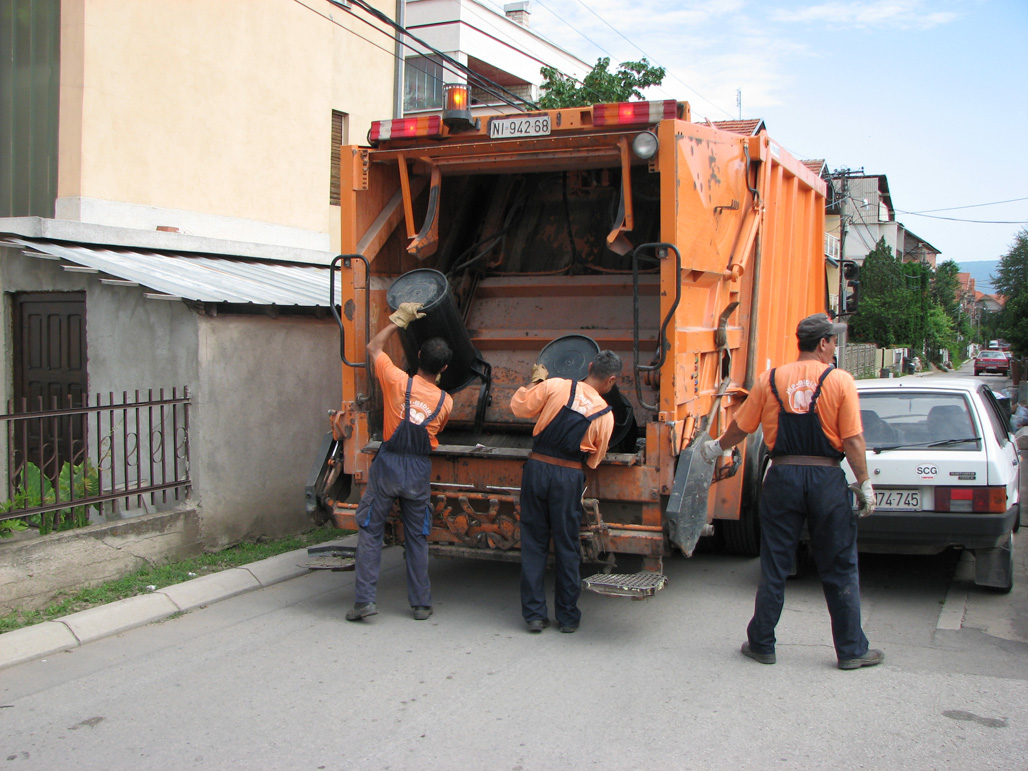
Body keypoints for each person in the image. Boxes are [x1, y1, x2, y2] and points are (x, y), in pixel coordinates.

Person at [700, 313, 884, 670]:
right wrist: (864, 483)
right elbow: (853, 440)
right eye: (833, 341)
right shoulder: (840, 381)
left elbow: (743, 427)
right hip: (826, 480)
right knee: (840, 566)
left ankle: (762, 643)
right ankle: (851, 651)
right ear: (822, 344)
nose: (834, 346)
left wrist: (716, 446)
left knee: (775, 564)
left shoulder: (770, 380)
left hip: (782, 477)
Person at [346, 302, 453, 623]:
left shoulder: (395, 380)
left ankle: (365, 602)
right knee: (417, 537)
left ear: (418, 357)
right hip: (418, 471)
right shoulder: (446, 402)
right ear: (444, 369)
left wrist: (398, 320)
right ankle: (421, 604)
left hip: (388, 466)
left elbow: (373, 347)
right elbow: (434, 430)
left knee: (370, 531)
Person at [510, 350, 621, 634]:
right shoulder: (605, 416)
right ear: (611, 380)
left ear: (590, 365)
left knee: (534, 543)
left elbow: (519, 407)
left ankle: (534, 615)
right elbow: (594, 461)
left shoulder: (556, 385)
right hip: (568, 476)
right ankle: (568, 617)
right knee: (567, 546)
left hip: (536, 469)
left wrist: (536, 382)